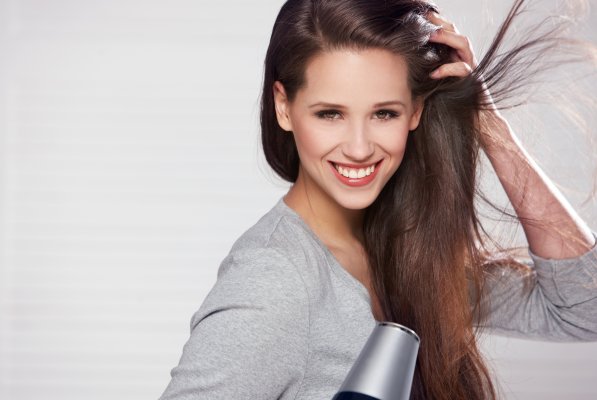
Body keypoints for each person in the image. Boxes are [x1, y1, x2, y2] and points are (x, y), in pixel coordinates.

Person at [159, 0, 597, 399]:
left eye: (384, 113)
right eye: (330, 114)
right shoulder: (276, 279)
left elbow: (583, 310)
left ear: (415, 112)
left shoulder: (410, 253)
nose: (359, 147)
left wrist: (486, 121)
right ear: (284, 107)